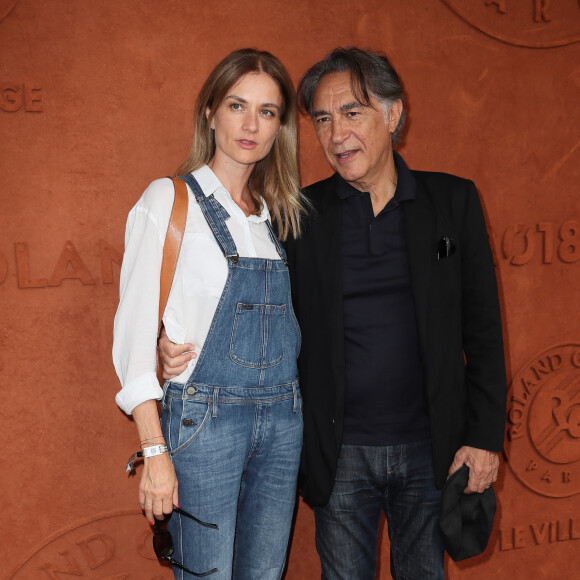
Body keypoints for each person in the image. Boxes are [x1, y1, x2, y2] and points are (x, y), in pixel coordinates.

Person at [160, 47, 507, 579]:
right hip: (338, 451)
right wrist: (176, 348)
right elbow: (254, 305)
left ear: (392, 116)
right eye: (322, 119)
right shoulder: (297, 214)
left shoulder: (452, 202)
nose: (336, 132)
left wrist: (483, 439)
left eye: (352, 112)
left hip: (430, 448)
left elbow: (483, 333)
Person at [113, 48, 306, 580]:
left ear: (280, 127)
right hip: (204, 425)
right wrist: (154, 451)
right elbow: (132, 339)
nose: (250, 124)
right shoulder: (169, 201)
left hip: (284, 424)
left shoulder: (276, 217)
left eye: (267, 112)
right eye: (237, 105)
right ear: (209, 112)